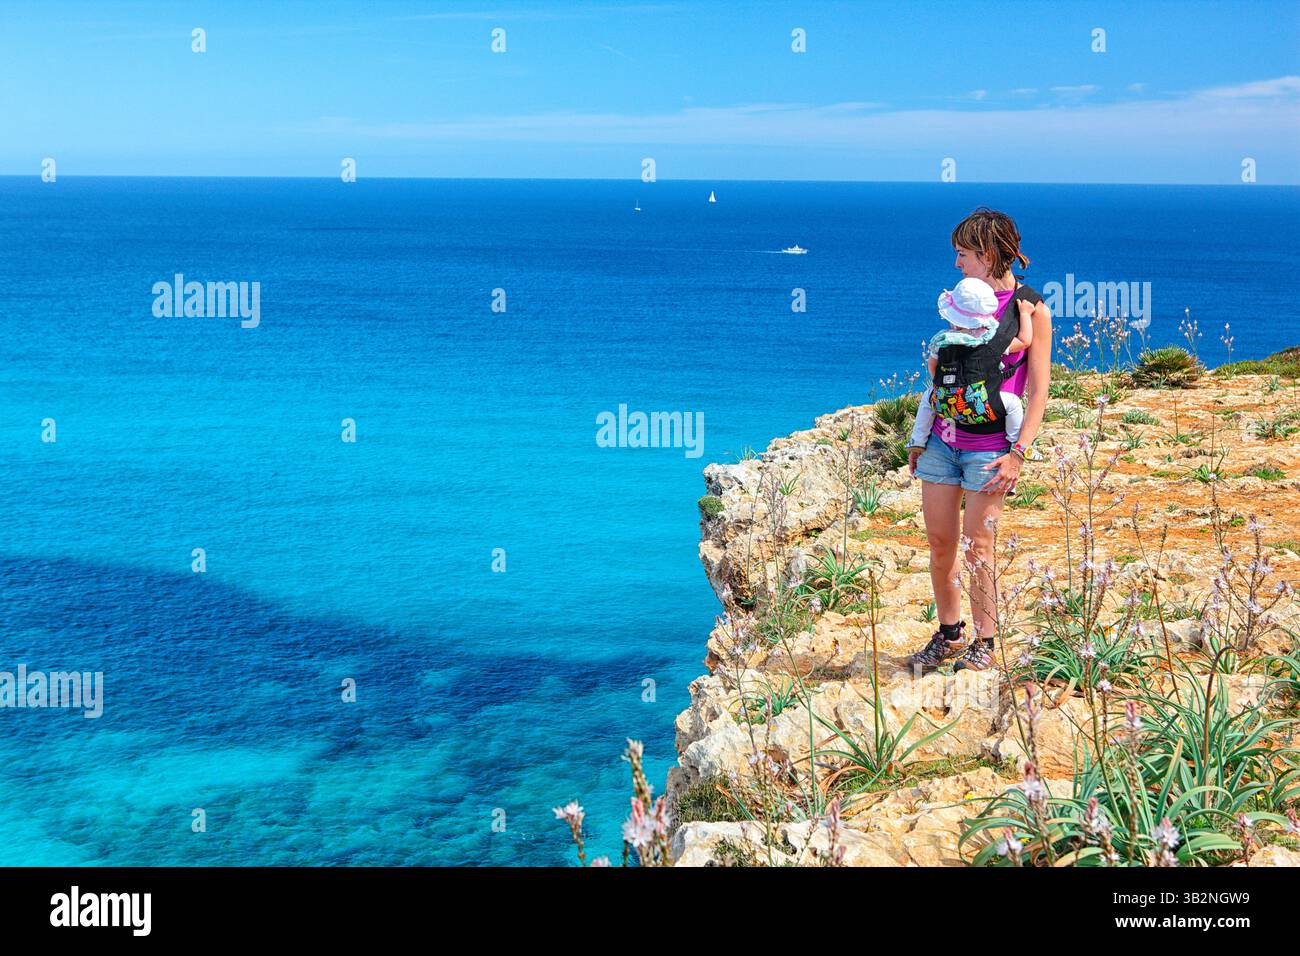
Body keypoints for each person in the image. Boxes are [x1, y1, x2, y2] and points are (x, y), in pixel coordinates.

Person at [903, 208, 1053, 674]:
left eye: (963, 254)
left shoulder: (1030, 309)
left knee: (979, 549)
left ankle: (985, 642)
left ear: (988, 254)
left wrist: (1019, 454)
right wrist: (921, 436)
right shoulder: (959, 305)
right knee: (939, 542)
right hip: (942, 446)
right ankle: (949, 635)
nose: (956, 264)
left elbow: (1038, 389)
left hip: (990, 450)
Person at [906, 275, 1034, 451]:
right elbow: (1025, 341)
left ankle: (917, 440)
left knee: (927, 398)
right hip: (982, 404)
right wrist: (1025, 314)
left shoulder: (942, 340)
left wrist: (943, 387)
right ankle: (1015, 443)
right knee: (1013, 403)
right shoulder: (990, 340)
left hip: (946, 403)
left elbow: (932, 365)